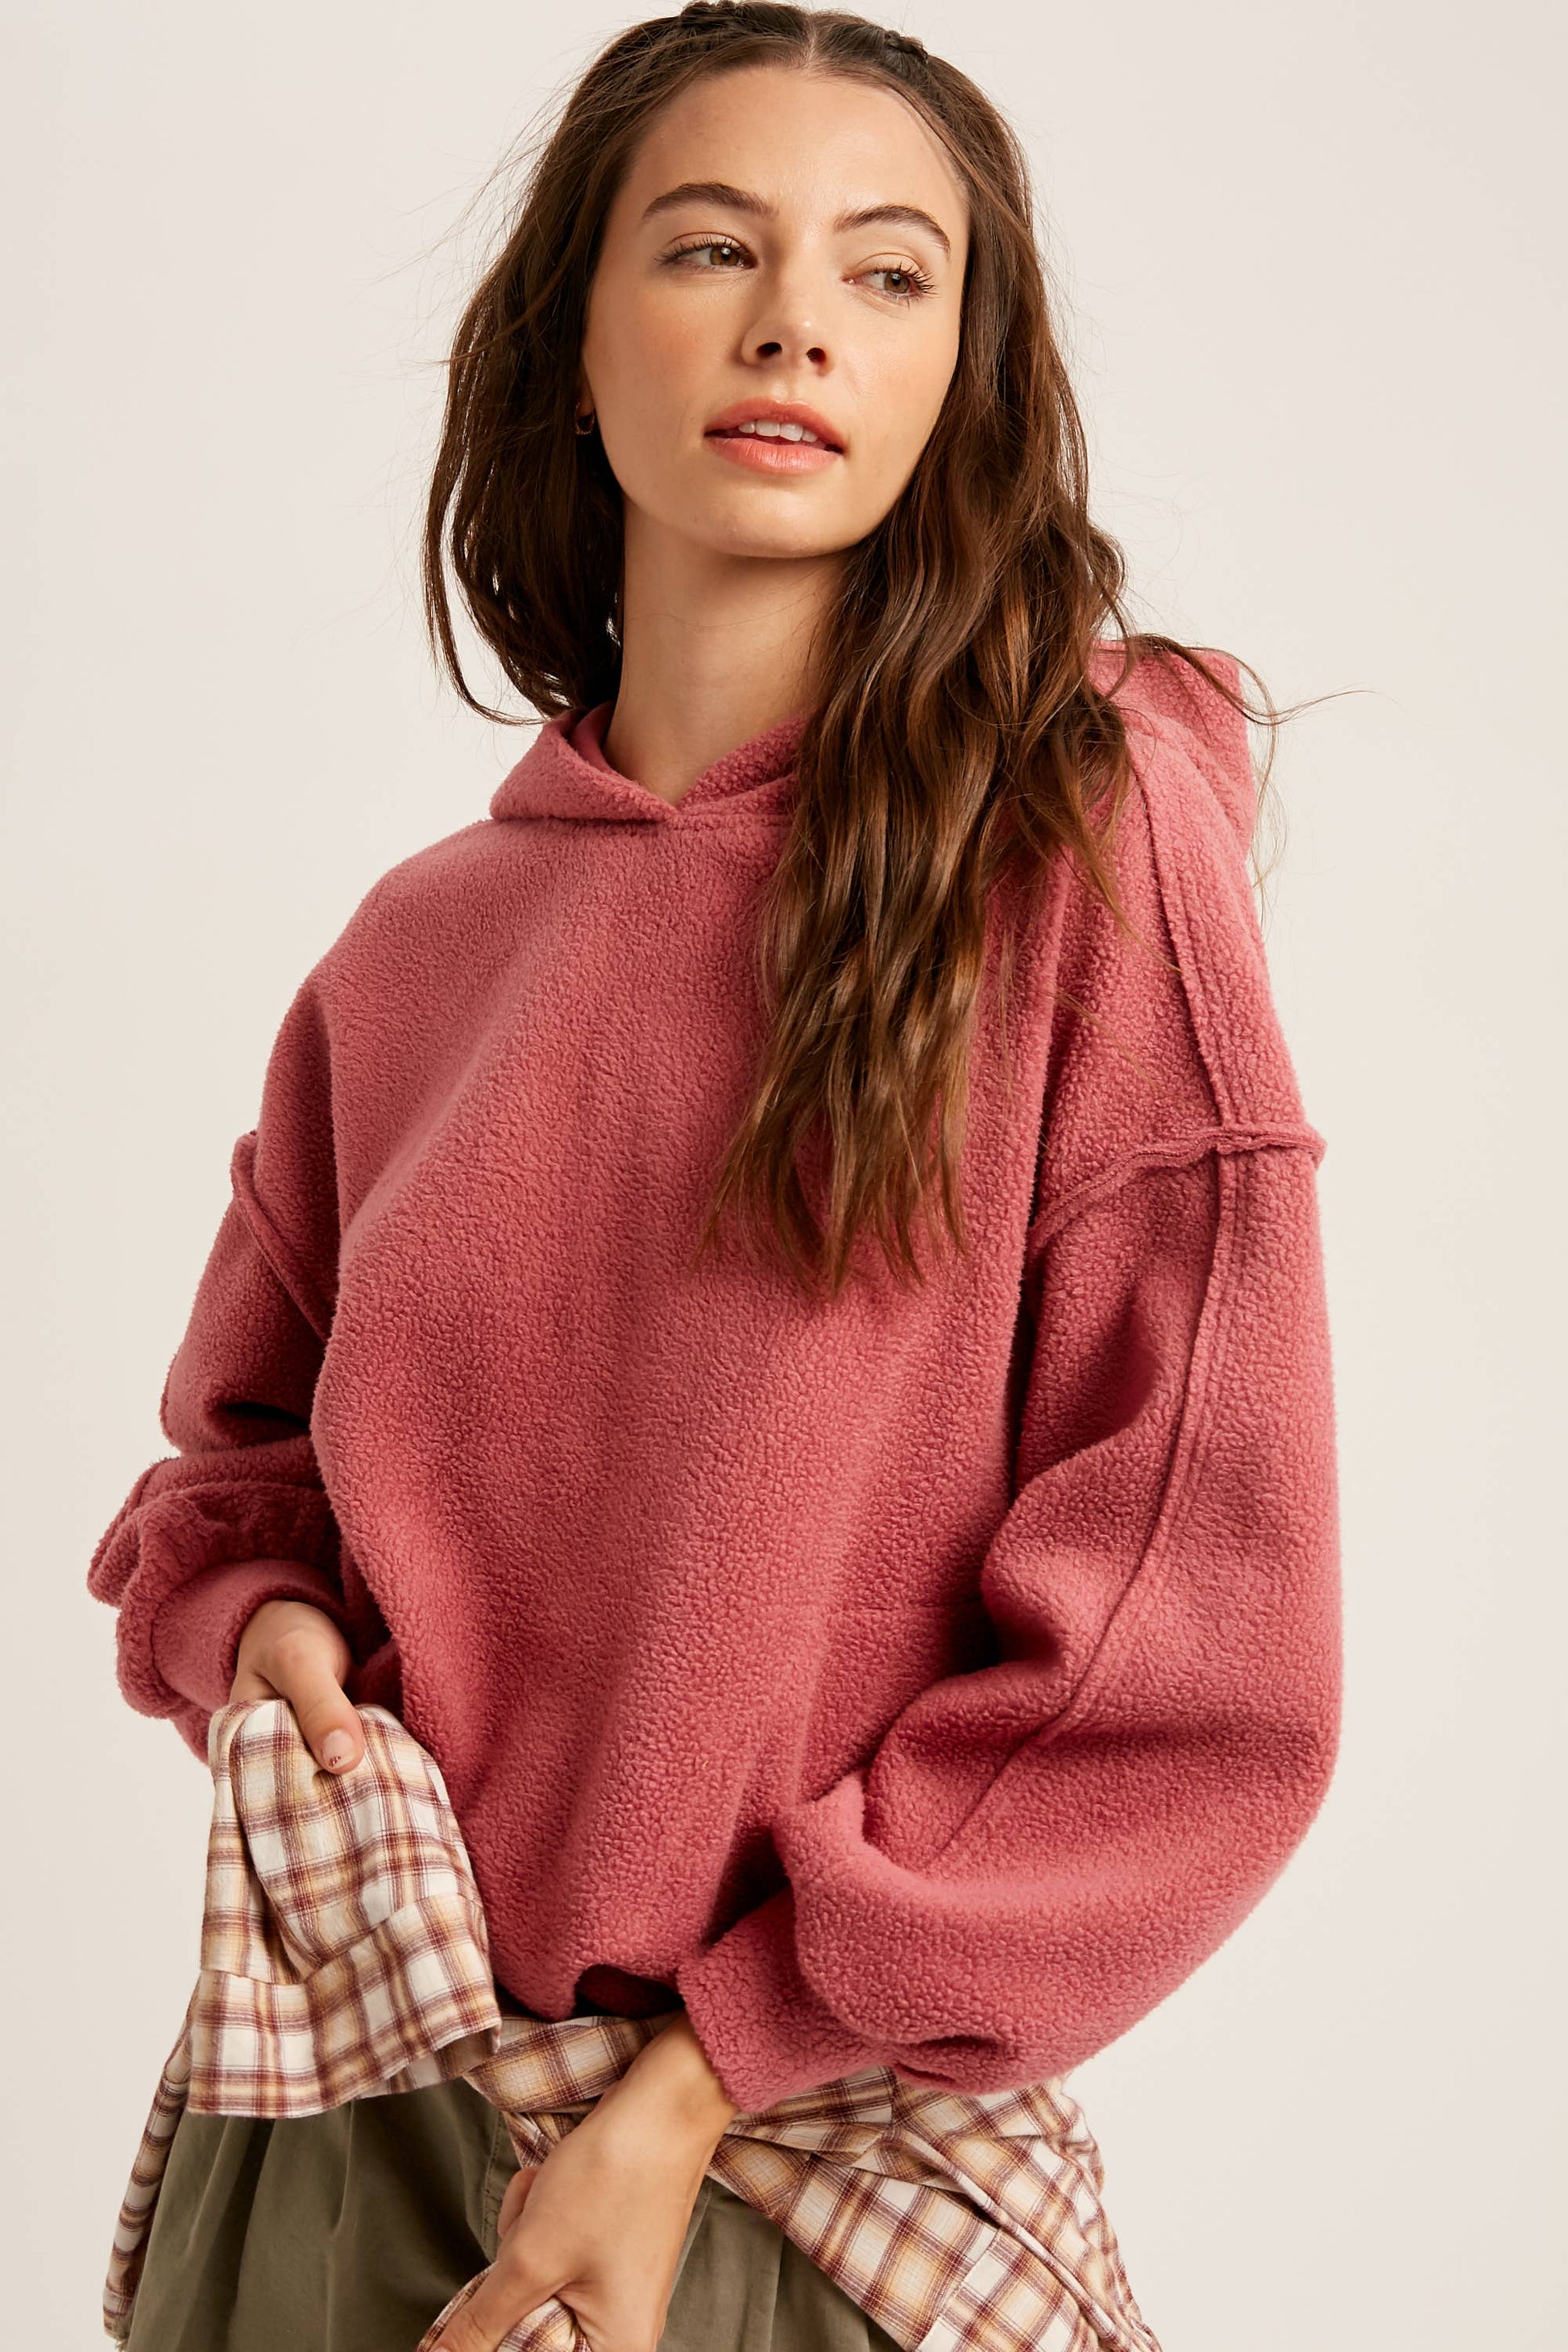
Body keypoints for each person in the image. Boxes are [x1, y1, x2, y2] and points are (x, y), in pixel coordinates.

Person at [87, 6, 1342, 2350]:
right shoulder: (415, 953)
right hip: (331, 2131)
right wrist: (257, 1630)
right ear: (572, 339)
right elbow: (238, 1476)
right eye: (707, 247)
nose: (795, 323)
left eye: (889, 272)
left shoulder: (1080, 857)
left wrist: (708, 2075)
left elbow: (1193, 1653)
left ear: (963, 377)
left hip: (760, 2180)